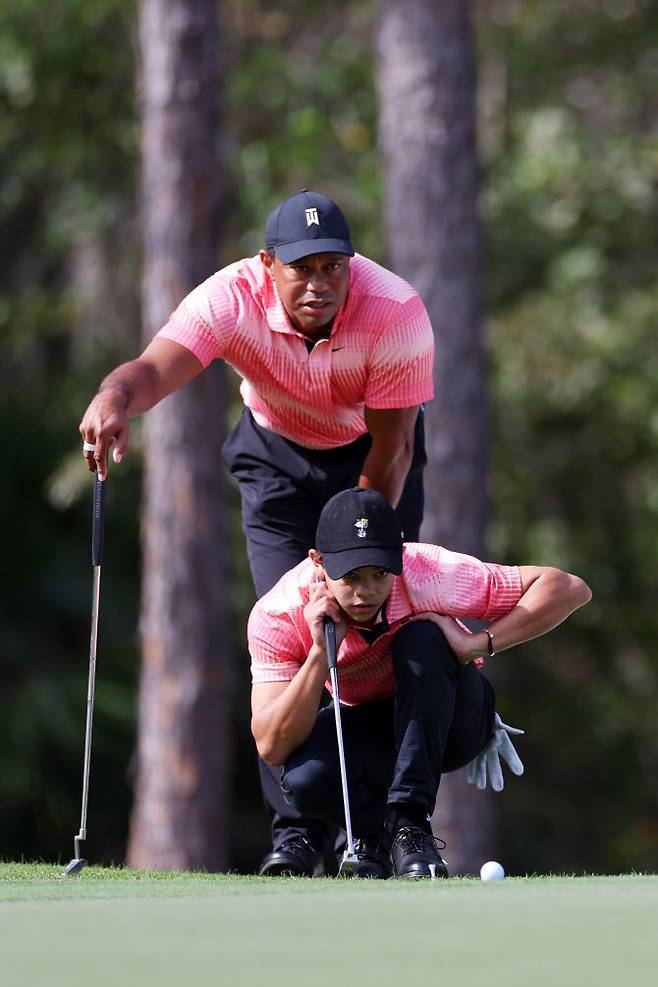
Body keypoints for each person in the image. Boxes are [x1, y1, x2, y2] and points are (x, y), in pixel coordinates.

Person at [79, 189, 435, 876]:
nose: (319, 283)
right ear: (267, 264)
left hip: (369, 464)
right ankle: (297, 833)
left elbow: (393, 450)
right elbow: (156, 367)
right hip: (273, 462)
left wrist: (351, 550)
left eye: (334, 266)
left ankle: (371, 832)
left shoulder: (394, 312)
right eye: (302, 267)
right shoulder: (230, 298)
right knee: (289, 625)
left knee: (369, 633)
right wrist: (114, 397)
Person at [248, 486, 592, 879]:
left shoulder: (427, 572)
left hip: (452, 724)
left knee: (423, 639)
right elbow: (272, 745)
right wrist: (318, 654)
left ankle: (410, 825)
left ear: (399, 558)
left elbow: (568, 588)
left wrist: (476, 644)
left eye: (380, 573)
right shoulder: (277, 614)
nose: (366, 591)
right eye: (351, 577)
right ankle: (372, 837)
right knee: (304, 777)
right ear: (318, 563)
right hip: (372, 726)